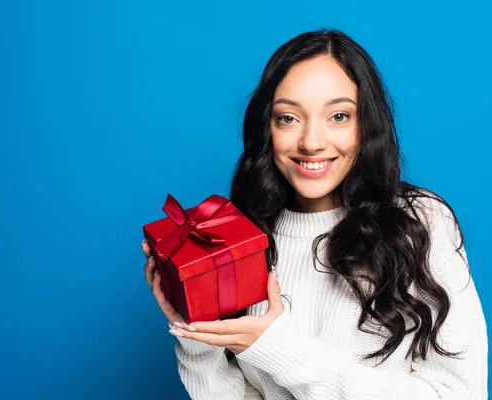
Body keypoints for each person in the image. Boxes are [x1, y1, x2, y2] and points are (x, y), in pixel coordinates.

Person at [142, 29, 488, 399]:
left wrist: (282, 350)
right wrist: (197, 336)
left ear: (366, 125)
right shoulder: (242, 238)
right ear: (267, 128)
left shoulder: (420, 223)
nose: (311, 142)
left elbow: (461, 393)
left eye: (338, 116)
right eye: (288, 118)